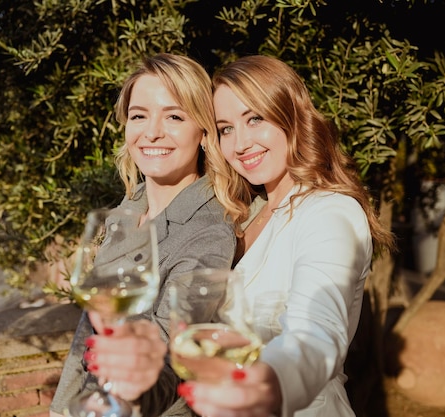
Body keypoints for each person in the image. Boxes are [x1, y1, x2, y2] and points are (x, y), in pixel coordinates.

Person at [174, 55, 396, 417]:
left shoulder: (329, 212)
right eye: (225, 128)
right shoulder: (246, 213)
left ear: (291, 116)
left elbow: (316, 335)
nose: (240, 143)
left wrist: (263, 385)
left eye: (255, 119)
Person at [49, 53, 237, 417]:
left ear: (203, 132)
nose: (151, 132)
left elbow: (170, 362)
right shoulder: (126, 211)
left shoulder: (209, 233)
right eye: (139, 116)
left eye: (174, 116)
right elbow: (89, 328)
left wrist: (129, 400)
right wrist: (60, 411)